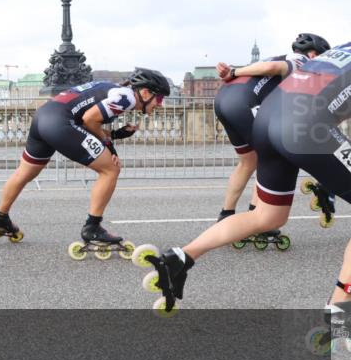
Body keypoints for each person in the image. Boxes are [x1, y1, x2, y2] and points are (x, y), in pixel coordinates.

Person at [142, 40, 351, 319]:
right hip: (304, 125)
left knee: (267, 217)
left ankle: (181, 257)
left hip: (268, 119)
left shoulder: (340, 49)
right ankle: (340, 316)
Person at [0, 68, 172, 254]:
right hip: (60, 123)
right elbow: (89, 120)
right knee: (111, 169)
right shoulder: (127, 98)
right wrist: (109, 146)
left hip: (43, 117)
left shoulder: (112, 88)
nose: (160, 104)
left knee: (24, 173)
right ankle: (92, 227)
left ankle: (0, 218)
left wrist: (114, 134)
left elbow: (86, 120)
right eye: (160, 98)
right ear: (145, 93)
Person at [212, 33, 330, 242]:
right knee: (270, 157)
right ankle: (257, 220)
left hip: (223, 100)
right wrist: (233, 71)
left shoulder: (275, 56)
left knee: (248, 162)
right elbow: (272, 70)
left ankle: (226, 215)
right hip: (241, 103)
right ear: (313, 54)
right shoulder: (302, 61)